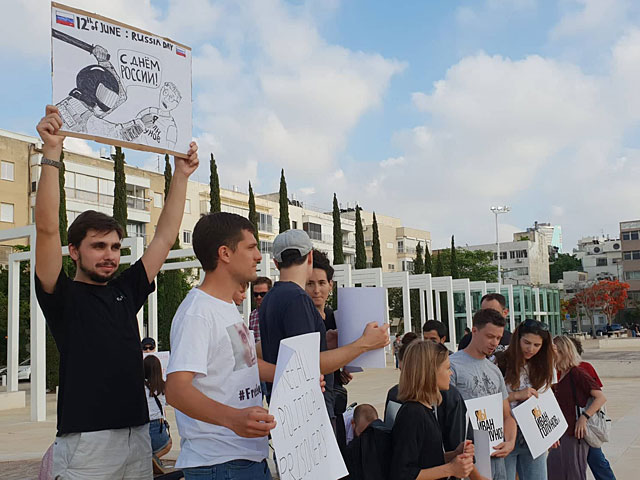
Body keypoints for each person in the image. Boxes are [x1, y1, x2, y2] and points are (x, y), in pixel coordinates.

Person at [34, 105, 198, 479]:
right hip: (87, 446)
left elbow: (163, 237)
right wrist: (52, 154)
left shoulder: (126, 290)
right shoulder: (61, 296)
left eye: (114, 247)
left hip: (138, 436)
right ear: (74, 251)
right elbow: (46, 230)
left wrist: (182, 176)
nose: (109, 255)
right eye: (98, 246)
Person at [165, 213, 278, 480]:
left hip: (244, 458)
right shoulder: (198, 312)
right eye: (251, 247)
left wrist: (296, 376)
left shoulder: (226, 306)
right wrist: (234, 419)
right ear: (225, 253)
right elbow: (176, 390)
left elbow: (246, 365)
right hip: (219, 464)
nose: (258, 257)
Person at [259, 229, 389, 421]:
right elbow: (308, 365)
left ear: (276, 263)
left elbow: (285, 353)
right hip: (306, 414)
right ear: (310, 257)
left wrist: (324, 342)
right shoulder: (297, 298)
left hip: (286, 408)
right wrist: (365, 343)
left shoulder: (270, 298)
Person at [391, 341, 475, 480]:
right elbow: (403, 473)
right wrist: (450, 469)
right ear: (430, 372)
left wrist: (454, 454)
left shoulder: (426, 409)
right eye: (447, 368)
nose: (451, 372)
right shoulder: (413, 413)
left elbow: (427, 460)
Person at [450, 308, 517, 480]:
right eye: (489, 336)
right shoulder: (452, 366)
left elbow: (507, 416)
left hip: (496, 457)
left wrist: (510, 442)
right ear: (474, 331)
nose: (494, 342)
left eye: (498, 338)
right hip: (467, 459)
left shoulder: (494, 370)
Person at [496, 320, 554, 480]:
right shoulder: (499, 362)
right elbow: (488, 402)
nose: (531, 349)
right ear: (517, 339)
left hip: (534, 433)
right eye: (527, 343)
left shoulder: (544, 364)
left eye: (537, 345)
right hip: (505, 433)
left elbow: (547, 399)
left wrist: (551, 432)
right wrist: (515, 395)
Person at [547, 336, 608, 480]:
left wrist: (584, 418)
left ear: (563, 352)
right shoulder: (561, 375)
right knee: (555, 471)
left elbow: (600, 397)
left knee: (573, 473)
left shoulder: (576, 373)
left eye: (554, 352)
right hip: (563, 432)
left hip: (574, 434)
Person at [306, 250, 353, 416]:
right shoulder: (302, 320)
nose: (316, 290)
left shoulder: (336, 317)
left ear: (330, 285)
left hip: (335, 397)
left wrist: (341, 374)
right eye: (310, 284)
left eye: (321, 283)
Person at [569, 338, 616, 480]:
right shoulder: (554, 370)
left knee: (597, 460)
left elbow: (598, 396)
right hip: (566, 425)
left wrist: (585, 416)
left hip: (583, 424)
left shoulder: (584, 368)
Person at [343, 404, 392, 480]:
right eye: (362, 433)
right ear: (353, 423)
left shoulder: (380, 432)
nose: (365, 437)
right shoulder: (341, 428)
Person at [144, 355, 172, 460]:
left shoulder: (139, 386)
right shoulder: (164, 386)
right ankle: (154, 459)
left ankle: (148, 459)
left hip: (143, 426)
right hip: (157, 426)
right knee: (168, 444)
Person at [249, 277, 272, 344]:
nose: (259, 297)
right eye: (256, 294)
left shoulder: (277, 313)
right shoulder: (253, 315)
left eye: (262, 294)